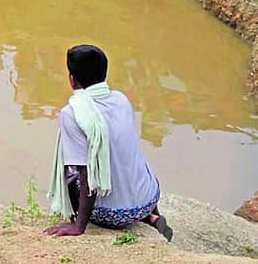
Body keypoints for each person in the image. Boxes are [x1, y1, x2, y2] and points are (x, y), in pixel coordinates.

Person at [45, 44, 172, 242]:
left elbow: (86, 174)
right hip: (149, 197)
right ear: (104, 74)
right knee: (125, 153)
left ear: (71, 79)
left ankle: (79, 217)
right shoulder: (121, 99)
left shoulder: (71, 113)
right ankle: (152, 216)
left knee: (69, 169)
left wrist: (79, 227)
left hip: (111, 215)